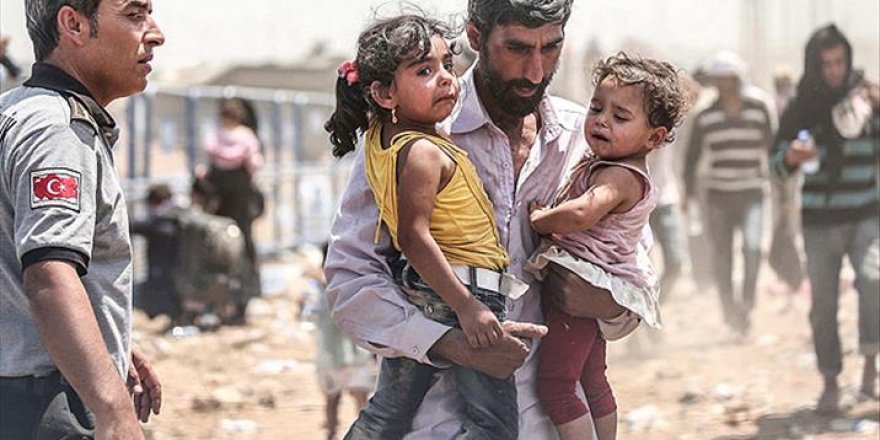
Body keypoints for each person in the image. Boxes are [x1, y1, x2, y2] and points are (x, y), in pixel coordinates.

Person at [325, 1, 632, 438]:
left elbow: (634, 270)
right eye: (517, 48)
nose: (535, 71)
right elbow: (351, 278)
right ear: (475, 36)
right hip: (437, 424)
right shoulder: (413, 132)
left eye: (550, 48)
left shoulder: (584, 140)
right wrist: (449, 342)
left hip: (553, 421)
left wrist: (607, 302)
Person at [325, 12, 530, 439]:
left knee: (388, 412)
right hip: (461, 289)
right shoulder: (423, 151)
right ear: (384, 93)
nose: (446, 79)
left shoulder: (383, 138)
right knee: (493, 424)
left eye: (447, 66)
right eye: (424, 71)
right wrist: (468, 308)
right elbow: (412, 236)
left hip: (423, 292)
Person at [0, 1, 165, 439]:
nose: (155, 34)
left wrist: (107, 344)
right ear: (73, 24)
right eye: (134, 15)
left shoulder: (15, 111)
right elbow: (49, 276)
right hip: (41, 404)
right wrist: (112, 408)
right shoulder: (58, 129)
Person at [526, 53, 689, 440]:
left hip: (582, 284)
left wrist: (540, 219)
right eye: (597, 108)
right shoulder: (607, 164)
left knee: (557, 385)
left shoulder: (620, 176)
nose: (601, 121)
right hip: (594, 286)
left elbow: (584, 212)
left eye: (620, 117)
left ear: (654, 138)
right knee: (592, 378)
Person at [770, 24, 880, 413]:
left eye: (839, 62)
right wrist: (791, 157)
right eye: (826, 64)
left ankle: (870, 368)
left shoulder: (867, 100)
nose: (834, 70)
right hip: (819, 221)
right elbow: (775, 164)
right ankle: (830, 381)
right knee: (824, 306)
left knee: (874, 281)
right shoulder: (803, 106)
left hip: (866, 214)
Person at [683, 51, 775, 338]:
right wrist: (689, 195)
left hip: (752, 193)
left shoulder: (759, 108)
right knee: (722, 257)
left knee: (753, 248)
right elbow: (691, 159)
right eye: (719, 80)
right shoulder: (705, 116)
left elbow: (774, 150)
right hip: (718, 196)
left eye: (729, 80)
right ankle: (730, 313)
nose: (724, 86)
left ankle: (747, 303)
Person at [303, 243, 375, 440]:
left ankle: (365, 436)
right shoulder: (317, 289)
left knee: (360, 398)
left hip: (355, 354)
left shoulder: (357, 284)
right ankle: (332, 433)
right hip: (331, 355)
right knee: (333, 399)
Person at [202, 96, 264, 298]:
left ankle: (231, 287)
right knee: (242, 236)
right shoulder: (245, 136)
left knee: (223, 235)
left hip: (225, 193)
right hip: (238, 192)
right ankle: (245, 287)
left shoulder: (218, 136)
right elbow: (254, 163)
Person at [130, 183, 183, 322]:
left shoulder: (161, 223)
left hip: (162, 281)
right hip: (179, 279)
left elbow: (132, 225)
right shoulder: (181, 217)